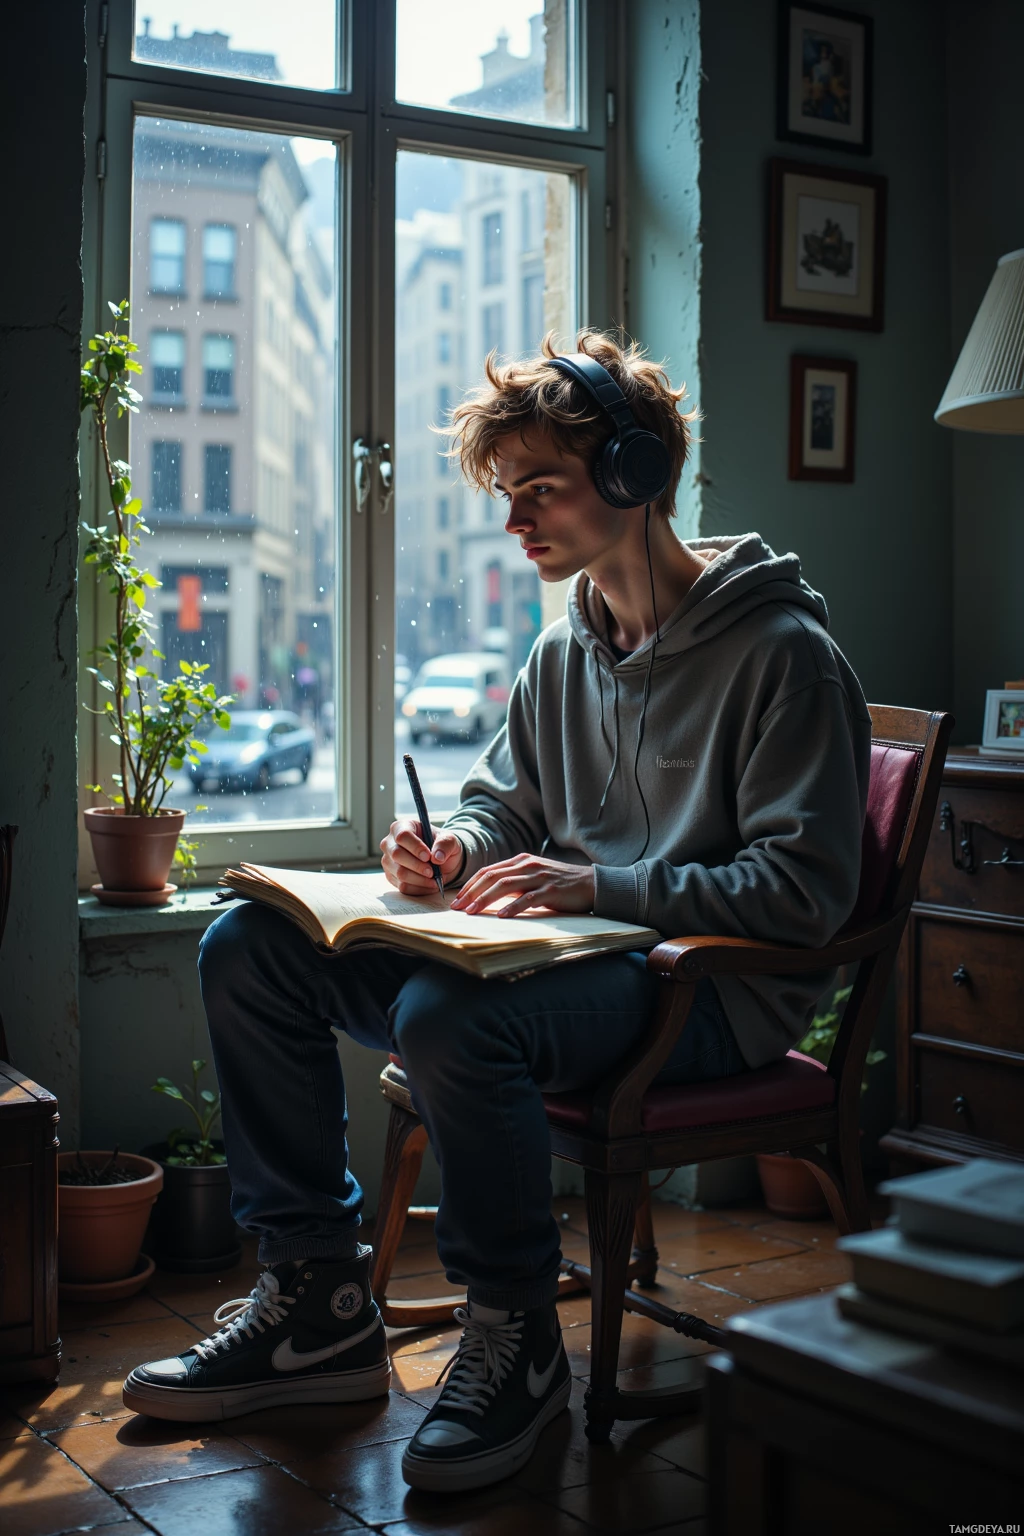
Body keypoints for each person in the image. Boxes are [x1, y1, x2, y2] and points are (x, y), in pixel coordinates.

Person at [122, 330, 871, 1493]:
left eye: (541, 489)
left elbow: (805, 894)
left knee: (449, 1017)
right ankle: (317, 1301)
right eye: (506, 495)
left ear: (633, 476)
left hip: (709, 989)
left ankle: (516, 1336)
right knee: (250, 947)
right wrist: (452, 848)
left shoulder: (784, 655)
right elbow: (503, 804)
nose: (516, 520)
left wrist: (599, 885)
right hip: (572, 964)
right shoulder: (557, 654)